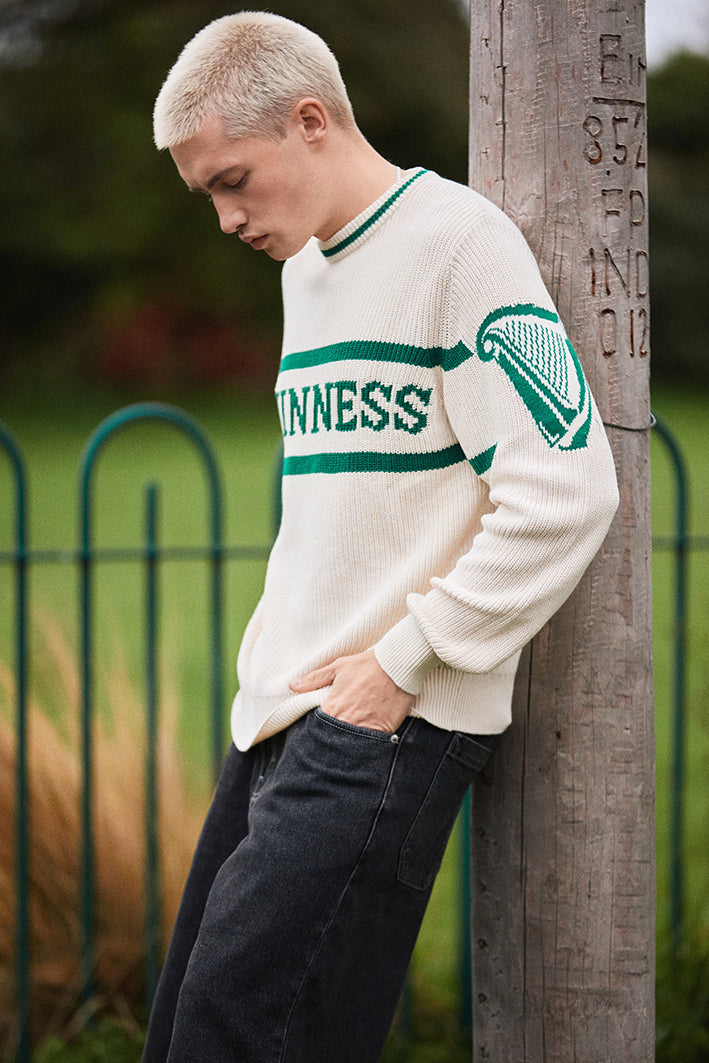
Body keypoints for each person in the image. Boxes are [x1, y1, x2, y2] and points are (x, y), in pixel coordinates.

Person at [143, 12, 619, 1062]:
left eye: (233, 180)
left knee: (233, 1034)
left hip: (384, 718)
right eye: (207, 194)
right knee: (188, 1027)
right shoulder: (303, 273)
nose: (225, 218)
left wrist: (401, 662)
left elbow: (566, 489)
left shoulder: (459, 245)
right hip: (279, 716)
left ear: (310, 120)